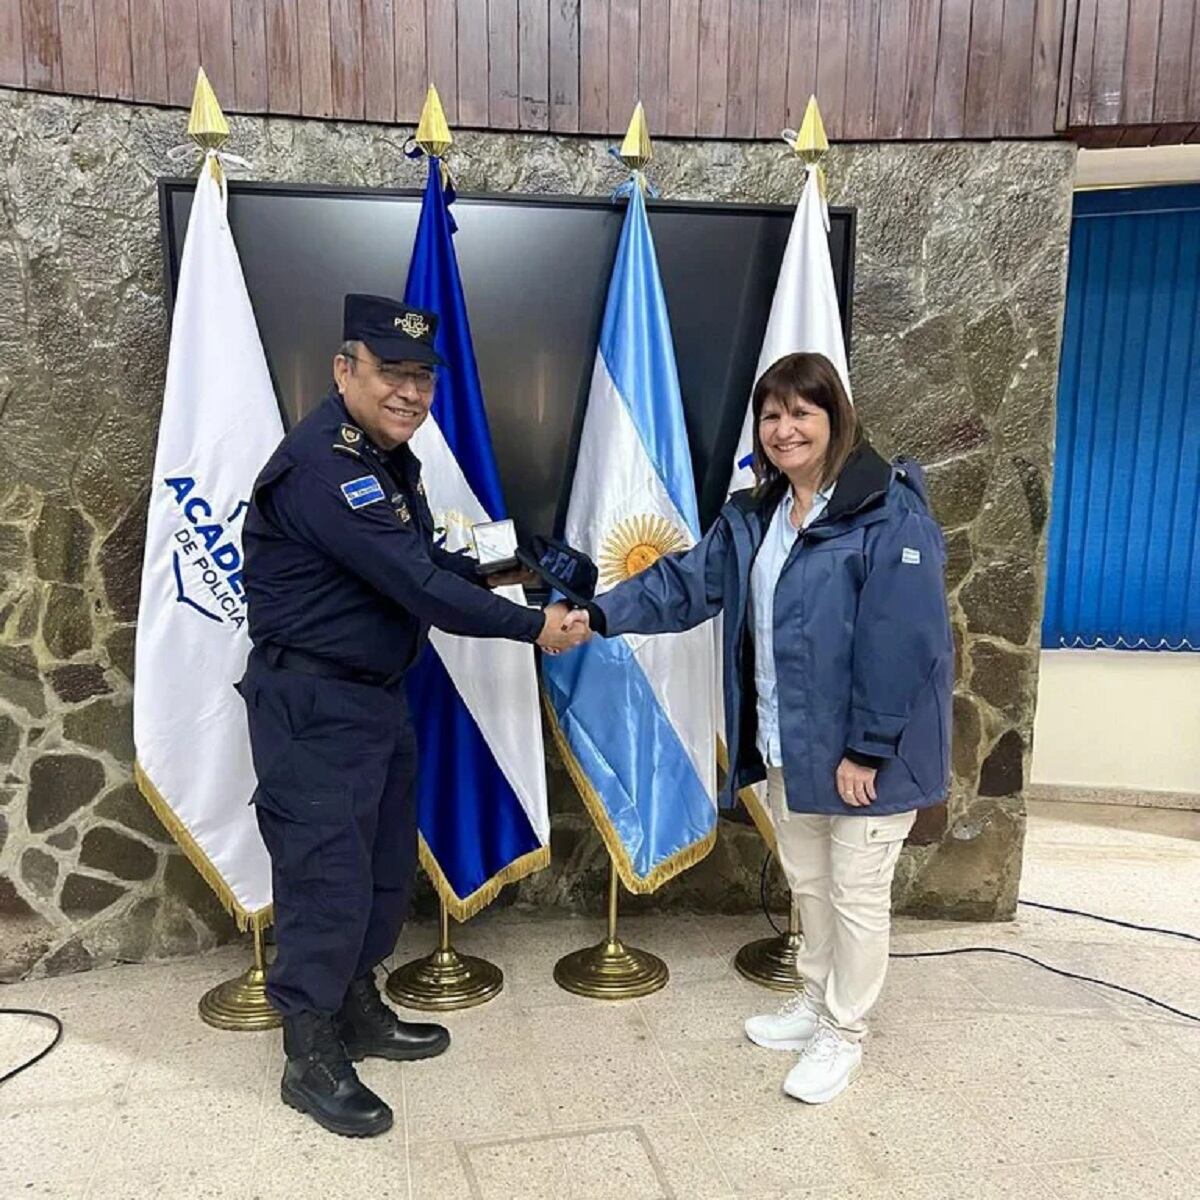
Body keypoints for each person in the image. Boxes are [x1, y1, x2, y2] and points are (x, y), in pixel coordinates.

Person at [564, 352, 952, 1104]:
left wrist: (867, 748)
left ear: (835, 418)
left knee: (857, 894)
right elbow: (686, 585)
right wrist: (600, 614)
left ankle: (844, 1030)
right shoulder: (756, 515)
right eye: (771, 415)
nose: (784, 429)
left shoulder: (888, 511)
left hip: (868, 756)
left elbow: (905, 640)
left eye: (801, 412)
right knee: (809, 883)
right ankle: (813, 1001)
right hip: (789, 745)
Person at [239, 293, 583, 1138]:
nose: (410, 392)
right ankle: (309, 1053)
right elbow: (417, 586)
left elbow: (427, 555)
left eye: (423, 377)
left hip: (371, 697)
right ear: (343, 369)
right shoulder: (327, 466)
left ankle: (356, 1009)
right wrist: (534, 625)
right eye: (391, 371)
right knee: (326, 880)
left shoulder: (388, 460)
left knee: (382, 868)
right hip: (316, 705)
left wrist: (519, 563)